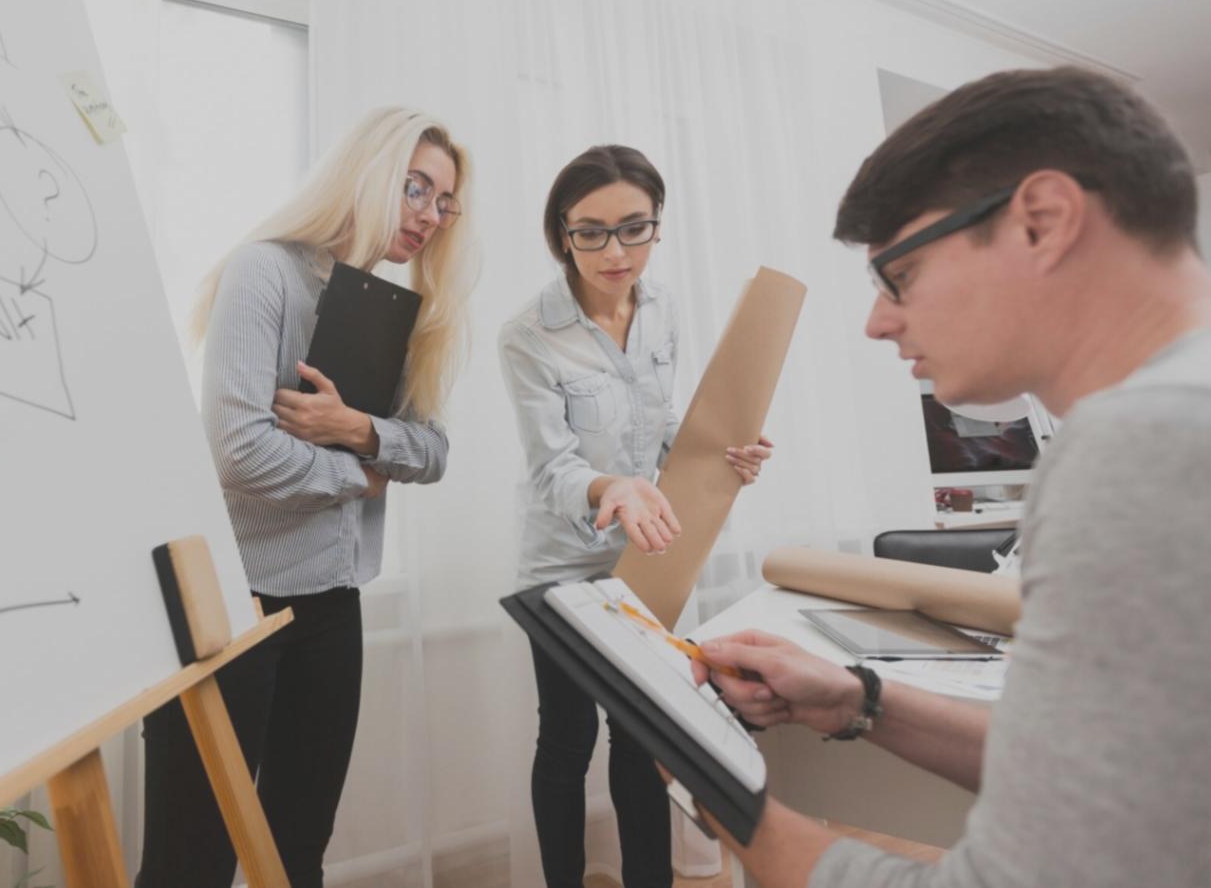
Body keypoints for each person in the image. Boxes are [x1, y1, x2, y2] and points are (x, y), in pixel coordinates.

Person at [691, 67, 1211, 887]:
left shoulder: (1137, 448)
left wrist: (725, 795)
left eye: (897, 275)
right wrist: (858, 700)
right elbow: (1111, 773)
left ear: (1040, 222)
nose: (876, 321)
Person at [137, 107, 477, 888]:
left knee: (297, 853)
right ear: (364, 173)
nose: (427, 214)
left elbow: (432, 451)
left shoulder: (394, 309)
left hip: (331, 601)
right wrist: (359, 474)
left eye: (442, 200)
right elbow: (238, 451)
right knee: (190, 863)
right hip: (233, 605)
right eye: (414, 187)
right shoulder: (265, 270)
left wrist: (358, 428)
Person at [499, 144, 773, 888]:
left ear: (657, 226)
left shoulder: (662, 309)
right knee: (565, 737)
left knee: (639, 731)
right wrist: (611, 487)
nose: (613, 251)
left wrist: (723, 456)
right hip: (559, 567)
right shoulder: (528, 334)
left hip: (645, 557)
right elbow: (552, 467)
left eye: (632, 228)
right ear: (560, 233)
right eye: (589, 231)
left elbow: (659, 432)